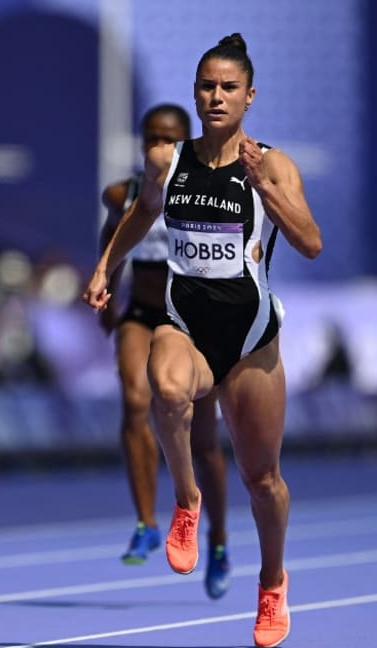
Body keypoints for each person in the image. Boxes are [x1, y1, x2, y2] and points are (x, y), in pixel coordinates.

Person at [83, 33, 322, 648]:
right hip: (184, 324)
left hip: (250, 340)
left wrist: (263, 188)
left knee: (261, 479)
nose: (216, 97)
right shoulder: (169, 160)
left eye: (228, 88)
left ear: (249, 96)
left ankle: (272, 583)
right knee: (164, 387)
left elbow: (310, 241)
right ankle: (186, 499)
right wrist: (105, 267)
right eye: (206, 87)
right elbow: (141, 212)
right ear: (195, 93)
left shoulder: (272, 163)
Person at [98, 103, 231, 600]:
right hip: (142, 316)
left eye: (168, 138)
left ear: (185, 140)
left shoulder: (207, 189)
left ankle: (216, 539)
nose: (158, 145)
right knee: (135, 402)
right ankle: (147, 521)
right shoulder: (124, 193)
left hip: (192, 326)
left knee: (204, 443)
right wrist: (104, 290)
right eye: (150, 136)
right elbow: (111, 236)